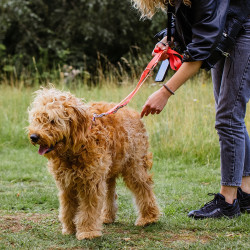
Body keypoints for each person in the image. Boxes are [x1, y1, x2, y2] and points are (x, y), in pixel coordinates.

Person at [131, 0, 250, 219]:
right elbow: (192, 21)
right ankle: (246, 192)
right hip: (226, 31)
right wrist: (171, 37)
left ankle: (228, 201)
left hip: (243, 29)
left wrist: (165, 92)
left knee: (228, 118)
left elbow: (201, 48)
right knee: (230, 116)